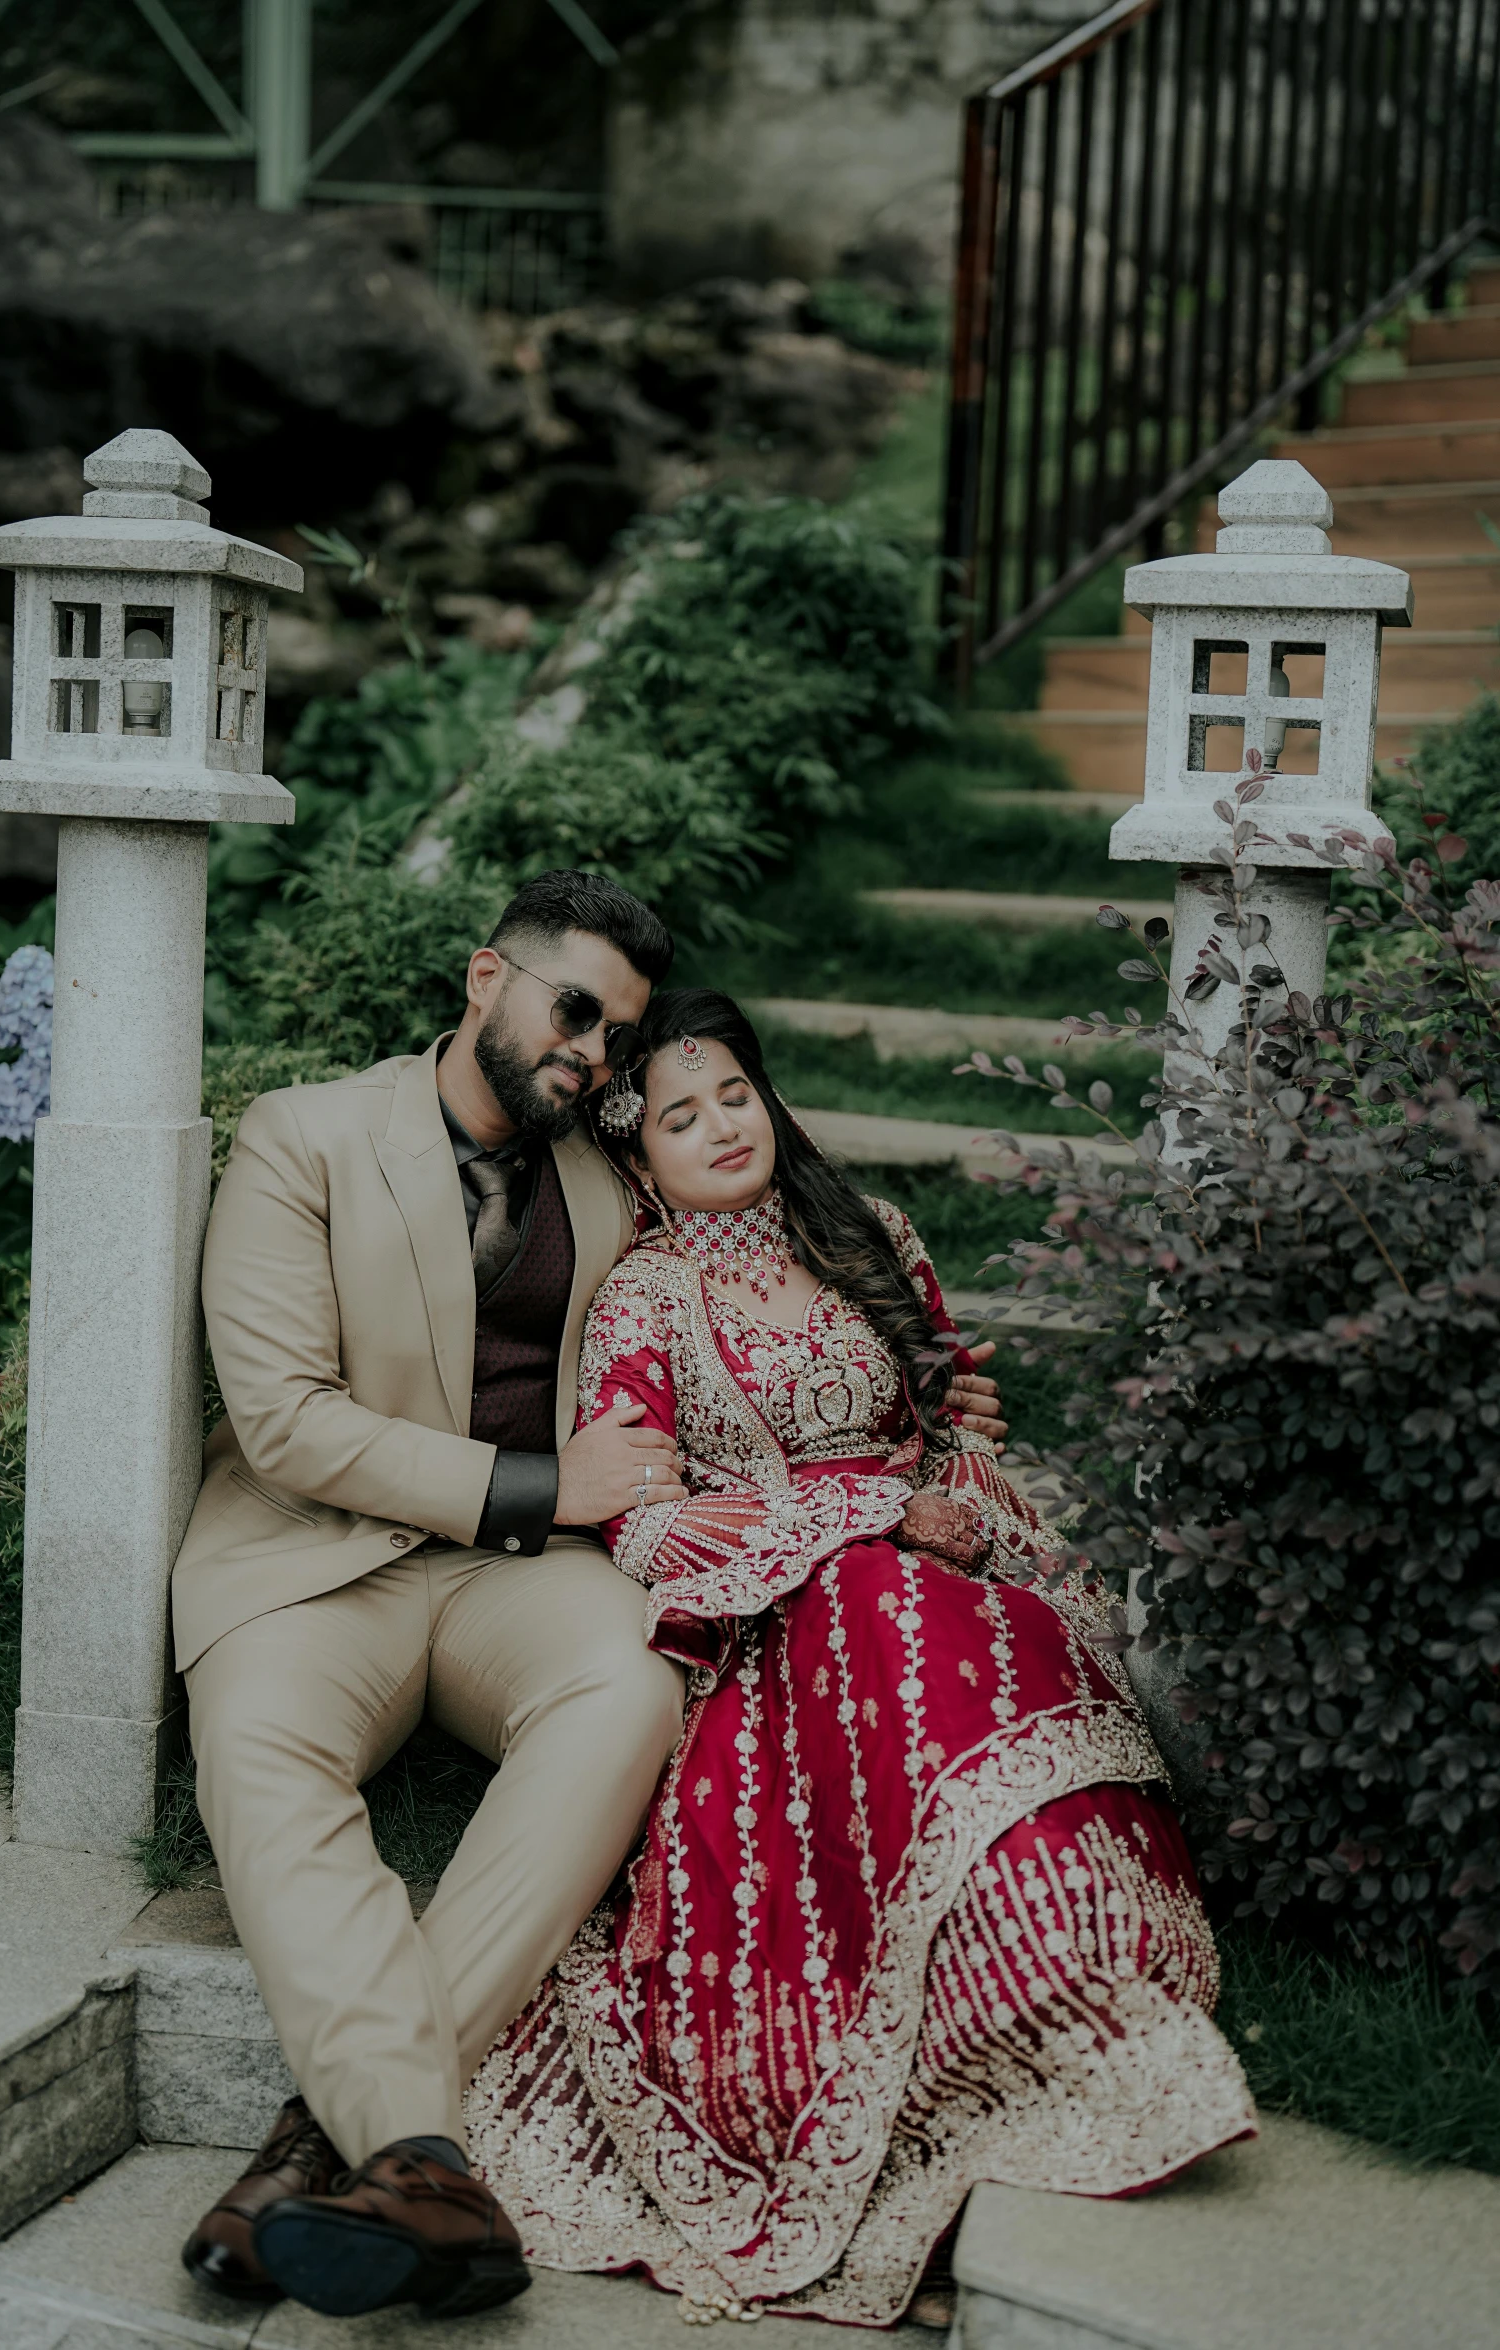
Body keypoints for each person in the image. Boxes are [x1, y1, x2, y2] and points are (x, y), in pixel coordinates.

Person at [173, 867, 1018, 2324]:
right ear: (481, 978)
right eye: (572, 1009)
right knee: (257, 1750)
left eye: (613, 1034)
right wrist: (542, 1483)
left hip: (523, 1587)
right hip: (309, 1565)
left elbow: (754, 1280)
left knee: (627, 1689)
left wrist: (916, 1380)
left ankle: (332, 2151)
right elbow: (287, 1418)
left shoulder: (603, 1174)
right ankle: (410, 2152)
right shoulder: (301, 1135)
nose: (588, 1052)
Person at [460, 989, 1258, 2329]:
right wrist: (838, 1514)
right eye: (678, 1115)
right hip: (788, 1622)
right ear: (636, 1151)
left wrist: (942, 1485)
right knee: (880, 1610)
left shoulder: (869, 1233)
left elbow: (946, 1429)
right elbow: (645, 1521)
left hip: (934, 1569)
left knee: (973, 1635)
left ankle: (1076, 1980)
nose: (718, 1127)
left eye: (733, 1096)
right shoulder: (645, 1297)